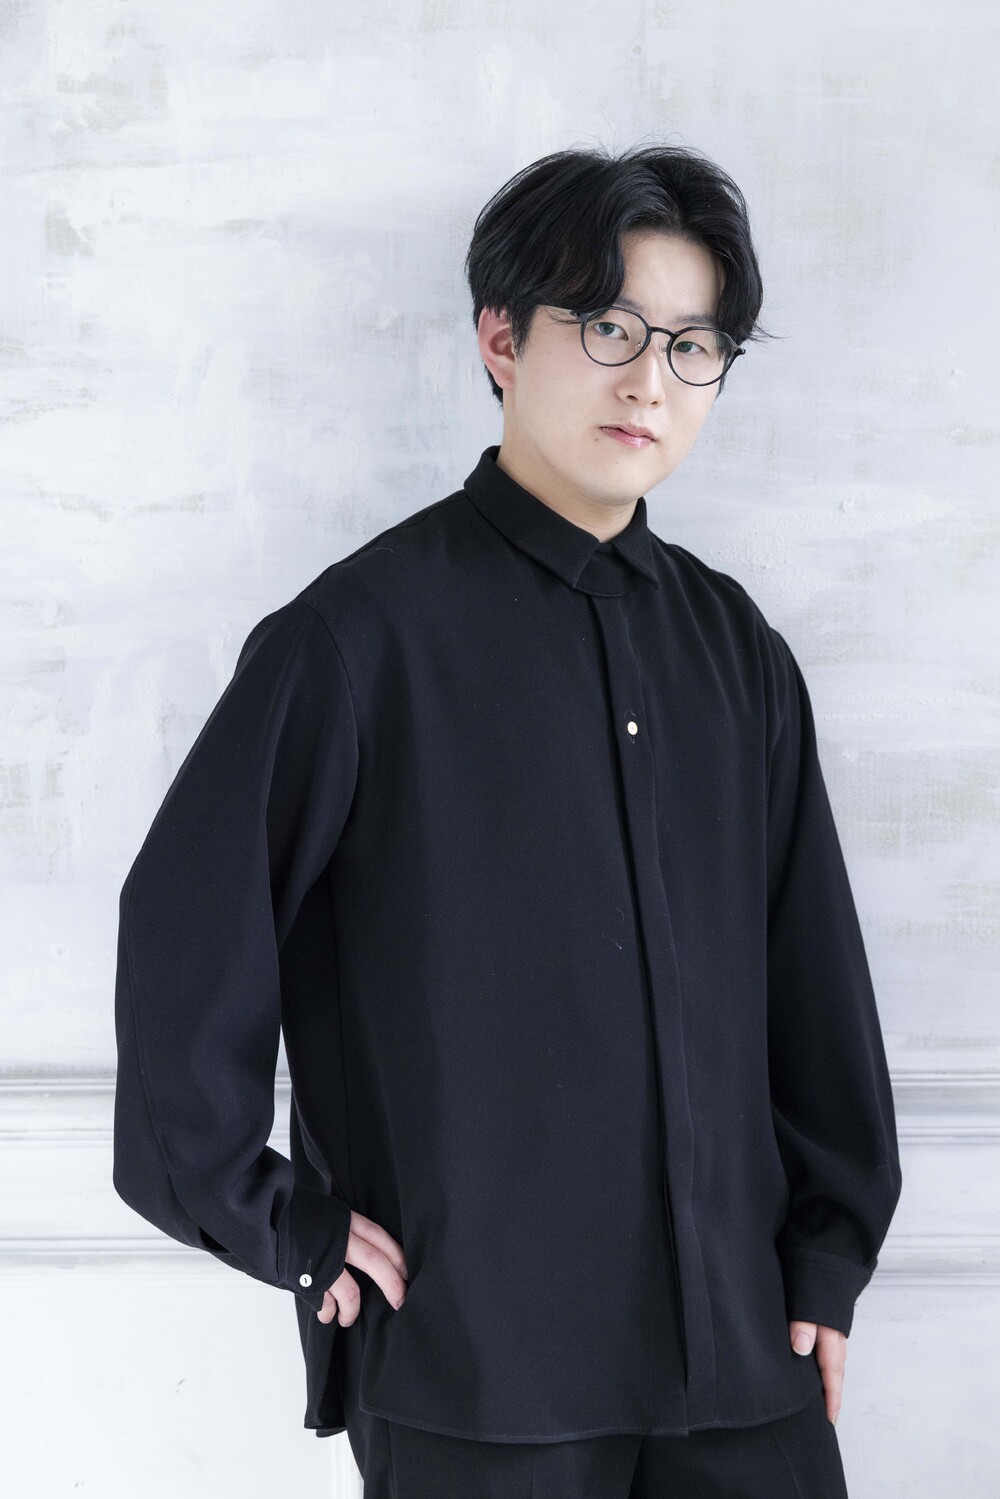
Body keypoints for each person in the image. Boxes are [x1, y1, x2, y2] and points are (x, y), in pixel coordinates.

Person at [112, 142, 903, 1498]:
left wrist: (826, 1262)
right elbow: (187, 939)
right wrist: (278, 1219)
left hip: (743, 1370)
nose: (650, 381)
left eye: (694, 345)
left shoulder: (736, 650)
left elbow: (814, 980)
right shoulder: (356, 640)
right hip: (476, 1377)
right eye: (609, 328)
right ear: (501, 337)